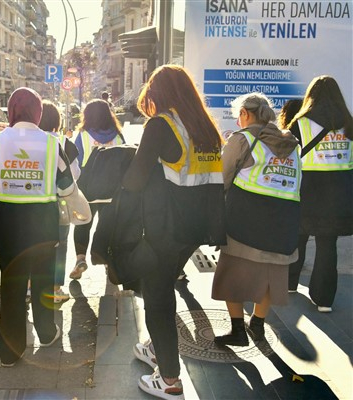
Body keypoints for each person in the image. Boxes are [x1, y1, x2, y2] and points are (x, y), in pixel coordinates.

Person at [123, 65, 225, 399]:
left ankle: (168, 379)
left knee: (157, 296)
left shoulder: (161, 124)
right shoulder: (205, 128)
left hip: (166, 228)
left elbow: (135, 180)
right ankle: (157, 347)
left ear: (158, 93)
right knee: (164, 285)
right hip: (195, 229)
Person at [0, 87, 75, 367]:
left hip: (7, 227)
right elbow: (66, 185)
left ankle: (9, 352)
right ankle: (46, 334)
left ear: (10, 110)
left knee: (11, 287)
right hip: (42, 227)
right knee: (43, 280)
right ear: (37, 112)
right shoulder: (50, 143)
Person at [212, 92, 302, 347]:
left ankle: (238, 331)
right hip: (283, 221)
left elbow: (222, 176)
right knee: (272, 275)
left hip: (244, 220)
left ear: (245, 114)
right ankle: (258, 324)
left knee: (232, 274)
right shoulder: (291, 144)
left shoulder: (242, 139)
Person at [286, 76, 353, 312]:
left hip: (308, 187)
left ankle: (290, 283)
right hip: (341, 190)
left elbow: (287, 153)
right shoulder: (349, 122)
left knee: (298, 235)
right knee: (327, 243)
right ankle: (324, 299)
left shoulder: (301, 122)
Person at [70, 99, 124, 280]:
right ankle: (108, 262)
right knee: (108, 226)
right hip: (112, 191)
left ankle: (80, 259)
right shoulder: (117, 136)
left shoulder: (83, 135)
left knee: (83, 224)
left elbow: (74, 162)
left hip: (88, 189)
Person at [39, 100, 81, 303]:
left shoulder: (30, 141)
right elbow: (74, 175)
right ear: (57, 120)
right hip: (60, 204)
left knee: (34, 244)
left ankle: (30, 286)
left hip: (32, 202)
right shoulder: (66, 144)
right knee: (60, 245)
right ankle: (55, 289)